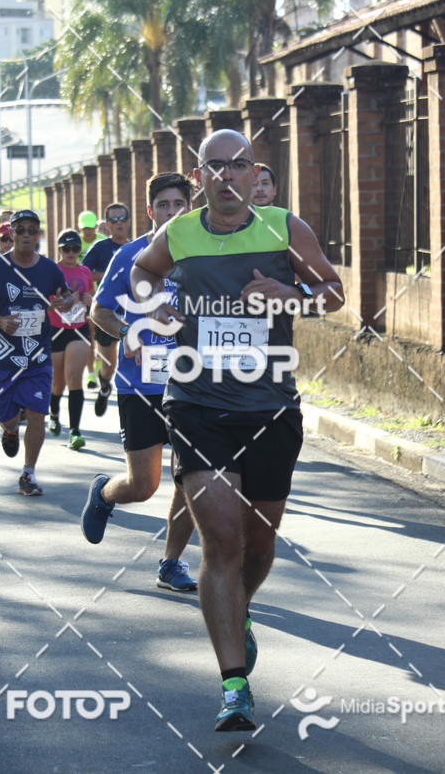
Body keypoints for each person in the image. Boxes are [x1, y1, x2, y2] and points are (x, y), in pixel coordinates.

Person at [129, 130, 345, 731]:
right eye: (214, 167)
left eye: (238, 166)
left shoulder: (284, 226)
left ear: (255, 174)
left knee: (257, 542)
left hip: (270, 405)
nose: (226, 176)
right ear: (199, 178)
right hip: (196, 401)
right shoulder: (179, 232)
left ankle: (239, 610)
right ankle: (233, 685)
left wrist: (290, 295)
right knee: (220, 542)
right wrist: (154, 307)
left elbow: (334, 294)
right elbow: (143, 275)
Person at [81, 172, 197, 592]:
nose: (171, 212)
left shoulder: (202, 255)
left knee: (189, 478)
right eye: (163, 205)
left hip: (190, 382)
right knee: (143, 485)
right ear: (150, 211)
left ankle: (171, 562)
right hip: (139, 384)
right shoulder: (130, 254)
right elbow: (100, 310)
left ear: (190, 207)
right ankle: (105, 494)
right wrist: (128, 333)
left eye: (178, 205)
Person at [0, 209, 75, 496]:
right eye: (20, 229)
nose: (26, 235)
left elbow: (63, 299)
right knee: (7, 417)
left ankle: (28, 474)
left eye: (31, 230)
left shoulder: (49, 269)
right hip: (3, 357)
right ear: (10, 233)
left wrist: (66, 303)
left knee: (38, 413)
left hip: (38, 355)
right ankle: (10, 430)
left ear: (39, 234)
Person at [82, 203, 130, 417]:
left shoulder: (137, 246)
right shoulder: (100, 248)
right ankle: (104, 386)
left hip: (133, 312)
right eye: (114, 220)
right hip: (107, 313)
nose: (119, 223)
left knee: (135, 360)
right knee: (109, 364)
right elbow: (83, 273)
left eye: (122, 218)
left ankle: (135, 401)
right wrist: (106, 277)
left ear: (128, 221)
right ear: (107, 224)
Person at [48, 229, 94, 450]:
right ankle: (54, 413)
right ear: (59, 249)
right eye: (66, 248)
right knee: (58, 383)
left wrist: (88, 299)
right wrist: (72, 298)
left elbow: (92, 300)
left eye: (75, 248)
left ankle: (75, 431)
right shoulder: (51, 270)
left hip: (78, 329)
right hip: (56, 330)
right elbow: (52, 303)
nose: (71, 252)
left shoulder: (85, 272)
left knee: (74, 378)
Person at [77, 210, 105, 389]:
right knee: (89, 336)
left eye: (91, 228)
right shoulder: (75, 242)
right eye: (84, 228)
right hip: (84, 295)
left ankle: (99, 367)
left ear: (96, 226)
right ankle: (91, 374)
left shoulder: (102, 240)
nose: (88, 232)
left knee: (101, 335)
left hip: (101, 294)